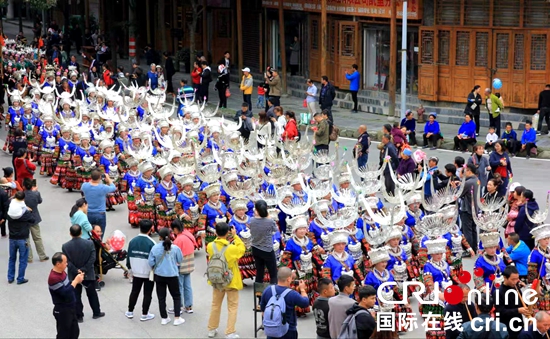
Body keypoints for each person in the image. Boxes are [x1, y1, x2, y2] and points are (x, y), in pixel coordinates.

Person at [206, 222, 245, 338]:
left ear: (216, 232)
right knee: (232, 306)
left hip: (216, 279)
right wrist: (235, 236)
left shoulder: (210, 246)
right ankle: (230, 331)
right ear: (228, 232)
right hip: (230, 280)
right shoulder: (232, 248)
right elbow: (242, 249)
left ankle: (212, 329)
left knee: (215, 305)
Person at [61, 225, 105, 322]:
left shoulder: (65, 246)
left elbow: (67, 262)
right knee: (92, 294)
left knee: (76, 295)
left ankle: (79, 316)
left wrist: (77, 271)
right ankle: (96, 312)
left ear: (70, 233)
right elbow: (93, 258)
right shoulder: (89, 244)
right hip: (88, 274)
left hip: (74, 275)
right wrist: (84, 269)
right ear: (81, 233)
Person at [259, 267, 310, 339]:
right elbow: (305, 303)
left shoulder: (268, 290)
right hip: (288, 330)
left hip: (271, 329)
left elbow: (263, 310)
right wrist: (302, 289)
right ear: (288, 279)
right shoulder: (292, 294)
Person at [148, 227, 184, 326]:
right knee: (176, 296)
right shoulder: (175, 248)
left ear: (160, 236)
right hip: (172, 275)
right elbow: (180, 260)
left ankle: (164, 317)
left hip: (159, 275)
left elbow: (150, 262)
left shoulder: (155, 248)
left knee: (161, 297)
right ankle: (177, 317)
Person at [125, 219, 156, 321]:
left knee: (134, 291)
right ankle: (144, 314)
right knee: (147, 294)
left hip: (136, 272)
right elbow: (154, 259)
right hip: (148, 273)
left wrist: (129, 269)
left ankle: (130, 311)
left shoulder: (132, 241)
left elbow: (128, 256)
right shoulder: (152, 243)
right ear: (150, 229)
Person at [49, 252, 84, 339]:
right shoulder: (53, 278)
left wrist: (77, 273)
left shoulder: (62, 272)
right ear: (58, 264)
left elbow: (68, 285)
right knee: (64, 334)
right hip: (62, 310)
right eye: (65, 262)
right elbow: (65, 293)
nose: (67, 264)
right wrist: (76, 281)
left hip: (71, 308)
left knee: (74, 332)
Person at [7, 191, 35, 284]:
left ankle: (10, 277)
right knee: (23, 259)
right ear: (23, 199)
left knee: (12, 258)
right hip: (23, 238)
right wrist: (29, 210)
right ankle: (20, 278)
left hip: (12, 238)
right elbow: (32, 220)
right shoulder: (25, 212)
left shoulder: (10, 211)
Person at [494, 266, 530, 339]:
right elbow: (500, 312)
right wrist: (518, 310)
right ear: (505, 278)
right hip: (506, 326)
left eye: (517, 279)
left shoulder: (516, 287)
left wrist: (528, 308)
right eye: (513, 279)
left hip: (518, 324)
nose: (516, 281)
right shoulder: (498, 292)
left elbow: (522, 303)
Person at [250, 200, 279, 284]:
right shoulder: (270, 221)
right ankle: (273, 292)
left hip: (255, 248)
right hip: (267, 250)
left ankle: (258, 294)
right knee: (273, 273)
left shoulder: (252, 220)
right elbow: (275, 229)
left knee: (259, 272)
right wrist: (269, 217)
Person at [80, 169, 116, 238]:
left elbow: (84, 186)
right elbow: (113, 187)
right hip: (100, 213)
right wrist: (108, 178)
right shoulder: (102, 187)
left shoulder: (85, 186)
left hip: (88, 213)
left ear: (91, 176)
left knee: (88, 235)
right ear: (100, 177)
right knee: (99, 236)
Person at [172, 218, 197, 314]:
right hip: (190, 265)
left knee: (179, 286)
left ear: (175, 229)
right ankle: (189, 306)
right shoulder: (188, 234)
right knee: (188, 286)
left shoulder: (178, 239)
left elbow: (175, 255)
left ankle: (179, 306)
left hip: (181, 267)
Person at [23, 178, 47, 263]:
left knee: (26, 239)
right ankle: (42, 255)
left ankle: (29, 257)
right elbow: (40, 201)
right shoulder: (36, 193)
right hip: (34, 218)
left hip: (24, 219)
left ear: (24, 186)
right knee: (37, 238)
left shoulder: (21, 195)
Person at [327, 275, 356, 339]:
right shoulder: (352, 303)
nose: (354, 287)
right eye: (353, 285)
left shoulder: (331, 300)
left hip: (333, 334)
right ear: (346, 288)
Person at [460, 164, 480, 253]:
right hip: (475, 208)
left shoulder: (468, 182)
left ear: (469, 171)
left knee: (467, 230)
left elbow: (459, 194)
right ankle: (474, 247)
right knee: (473, 229)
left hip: (467, 208)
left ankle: (469, 250)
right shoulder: (476, 180)